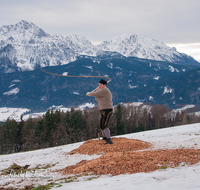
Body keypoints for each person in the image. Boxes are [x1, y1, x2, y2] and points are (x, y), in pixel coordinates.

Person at [86, 79, 113, 145]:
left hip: (107, 109)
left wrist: (89, 93)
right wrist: (97, 91)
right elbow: (97, 98)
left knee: (104, 125)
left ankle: (109, 139)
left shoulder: (104, 90)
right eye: (99, 85)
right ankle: (105, 137)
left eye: (101, 85)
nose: (99, 86)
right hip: (103, 109)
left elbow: (95, 94)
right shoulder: (102, 91)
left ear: (104, 85)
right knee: (101, 125)